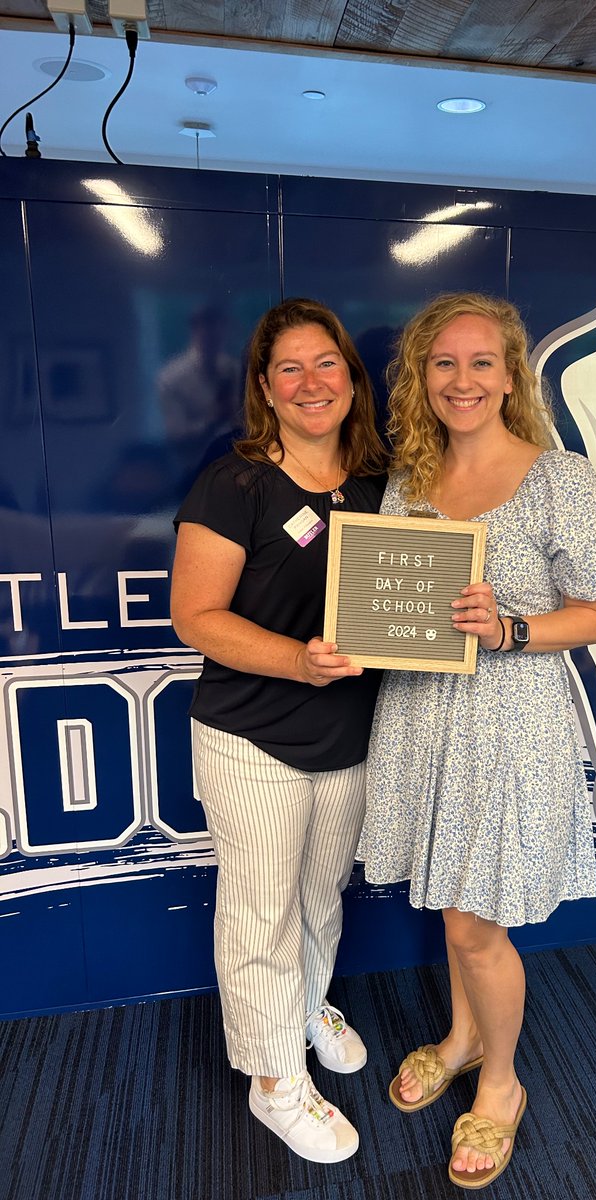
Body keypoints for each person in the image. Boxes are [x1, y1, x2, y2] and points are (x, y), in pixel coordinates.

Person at [360, 293, 596, 1188]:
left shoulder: (558, 476)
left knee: (477, 921)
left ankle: (504, 1085)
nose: (463, 380)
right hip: (419, 714)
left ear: (511, 373)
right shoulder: (409, 477)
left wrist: (512, 627)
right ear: (422, 378)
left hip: (509, 722)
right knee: (453, 900)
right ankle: (463, 1037)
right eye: (444, 363)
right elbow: (387, 601)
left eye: (481, 362)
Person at [170, 298, 387, 1164]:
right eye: (289, 368)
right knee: (260, 912)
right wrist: (298, 660)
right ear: (264, 386)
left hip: (348, 738)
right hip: (251, 737)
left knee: (317, 900)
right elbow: (196, 616)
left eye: (325, 363)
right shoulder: (237, 483)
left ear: (349, 376)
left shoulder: (378, 481)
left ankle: (304, 1009)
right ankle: (272, 1080)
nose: (310, 383)